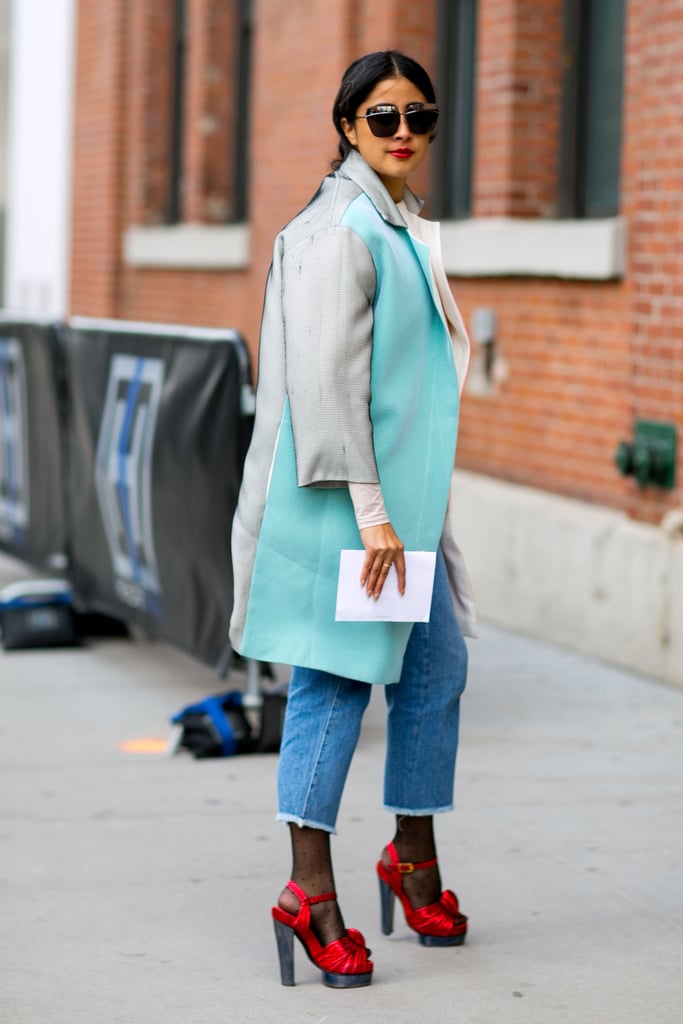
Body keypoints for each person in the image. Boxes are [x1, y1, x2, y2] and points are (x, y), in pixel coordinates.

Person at [230, 50, 477, 988]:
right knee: (333, 690)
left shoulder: (390, 216)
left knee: (435, 671)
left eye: (420, 114)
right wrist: (376, 520)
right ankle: (309, 893)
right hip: (353, 510)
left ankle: (409, 857)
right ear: (346, 126)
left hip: (396, 512)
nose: (404, 131)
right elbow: (328, 386)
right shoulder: (341, 228)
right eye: (382, 117)